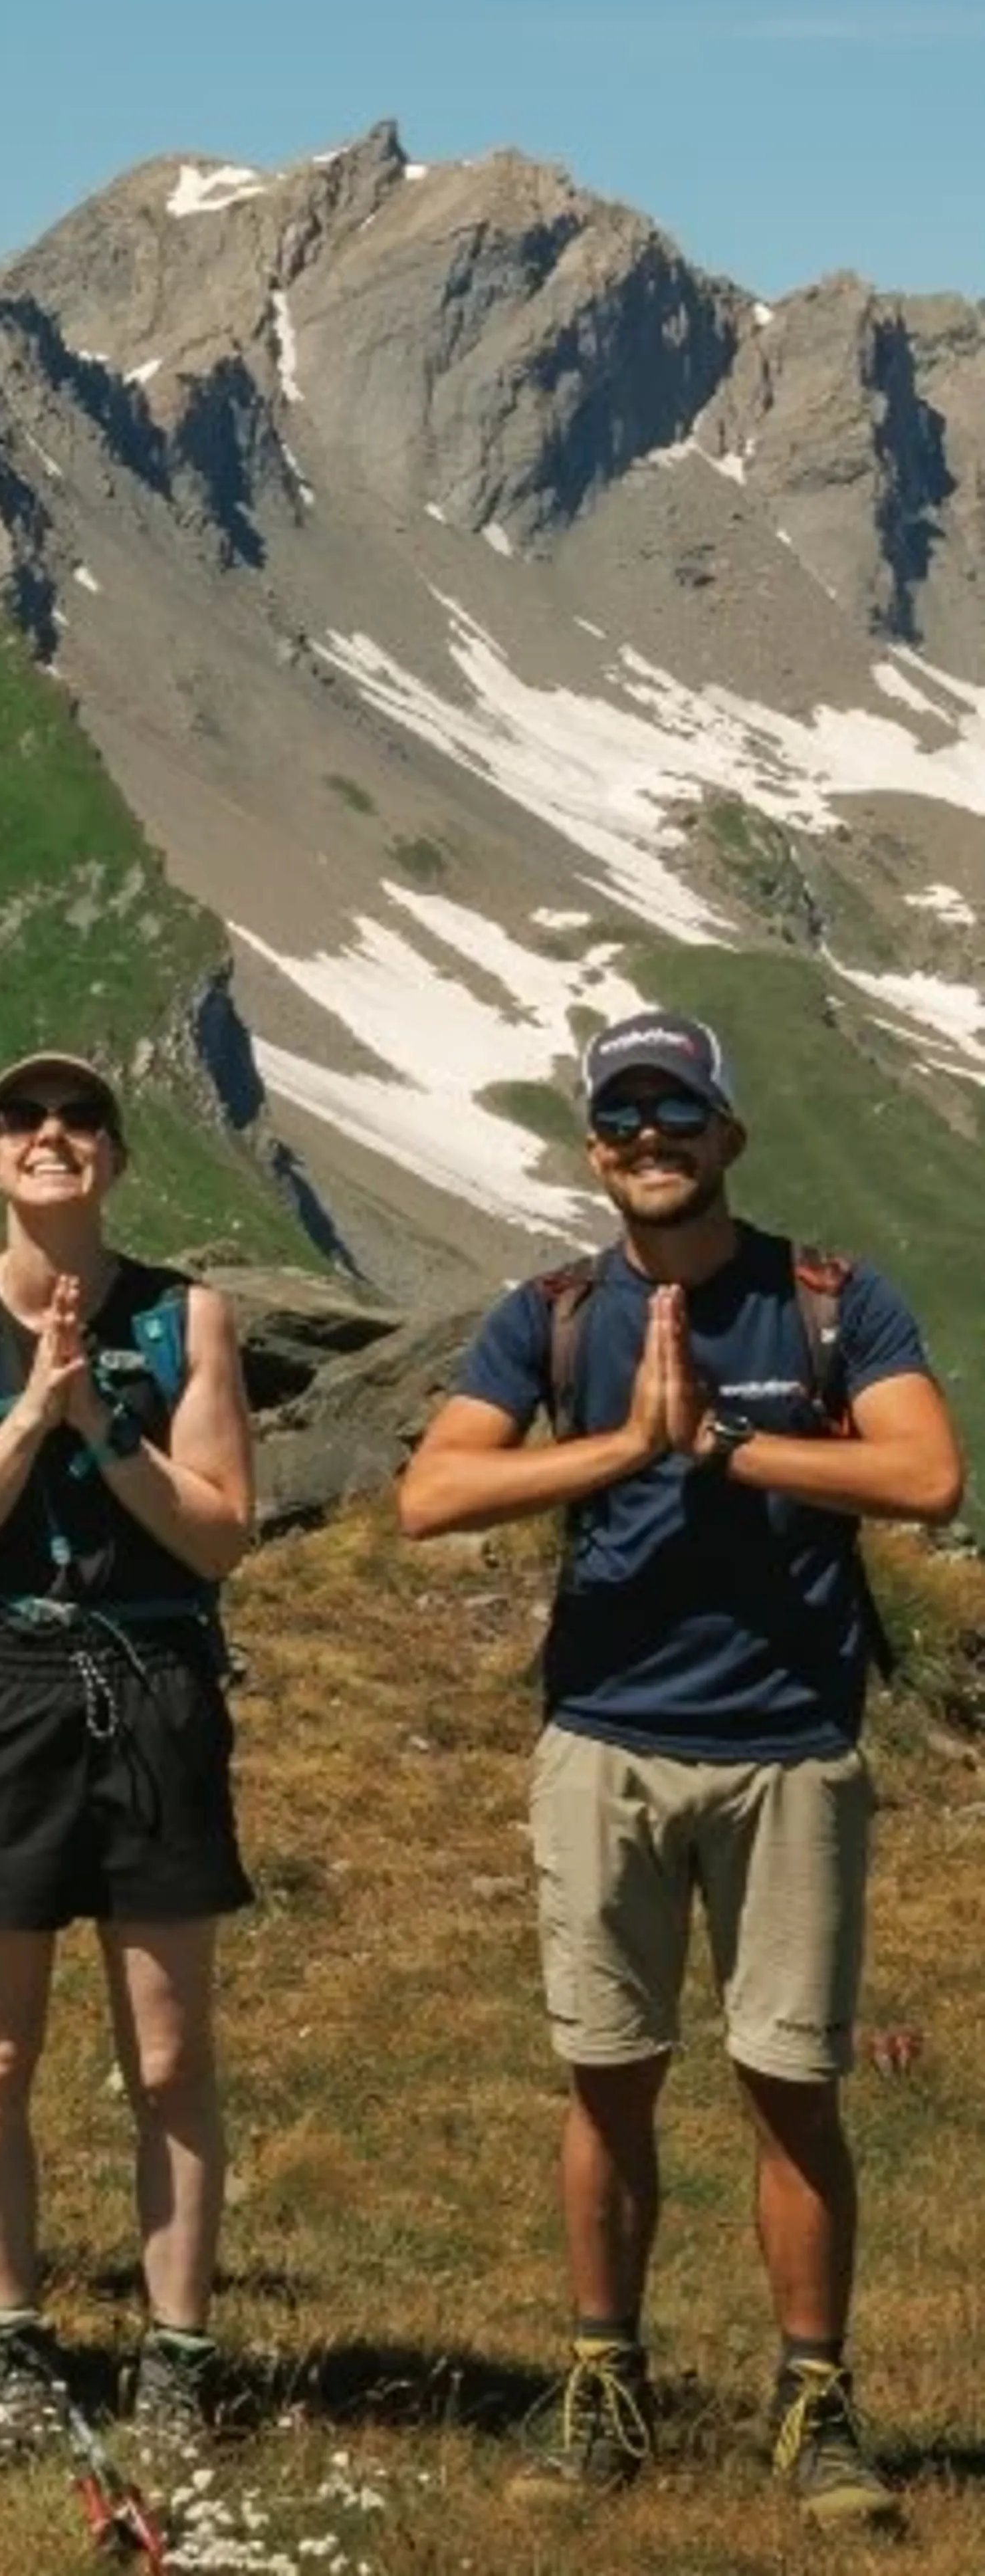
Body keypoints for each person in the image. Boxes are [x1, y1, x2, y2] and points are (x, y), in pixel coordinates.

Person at [399, 1008, 963, 2528]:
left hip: (792, 1750)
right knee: (611, 2078)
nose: (650, 1140)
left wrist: (721, 1446)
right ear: (596, 1145)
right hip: (605, 1745)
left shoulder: (835, 1301)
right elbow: (431, 1491)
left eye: (677, 1114)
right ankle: (604, 2380)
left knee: (794, 2085)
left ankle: (816, 2399)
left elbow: (923, 1474)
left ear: (728, 1134)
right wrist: (622, 1446)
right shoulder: (555, 1313)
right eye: (623, 1119)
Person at [0, 1052, 253, 2465]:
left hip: (155, 1675)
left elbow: (222, 1533)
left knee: (169, 2053)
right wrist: (35, 1412)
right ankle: (16, 2342)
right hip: (7, 1680)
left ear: (116, 1156)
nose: (53, 1138)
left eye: (81, 1120)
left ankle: (175, 2354)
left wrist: (103, 1427)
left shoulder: (189, 1316)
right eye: (26, 1119)